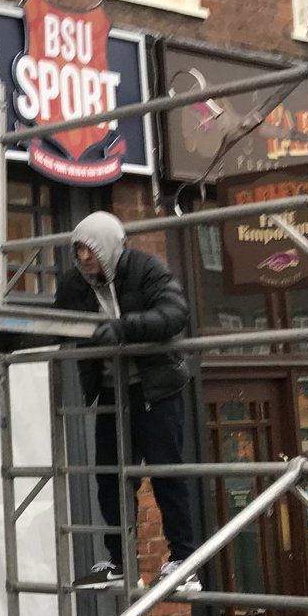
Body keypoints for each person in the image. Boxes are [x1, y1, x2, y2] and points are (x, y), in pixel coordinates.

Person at [54, 211, 201, 591]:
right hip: (110, 389)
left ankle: (184, 562)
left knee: (166, 474)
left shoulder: (145, 269)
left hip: (155, 388)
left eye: (90, 249)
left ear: (108, 246)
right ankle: (119, 561)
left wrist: (122, 329)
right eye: (78, 250)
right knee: (110, 477)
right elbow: (57, 320)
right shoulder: (75, 283)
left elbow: (175, 314)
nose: (84, 257)